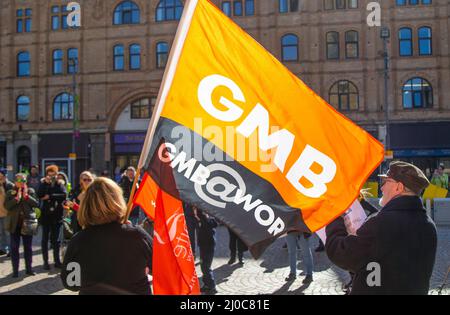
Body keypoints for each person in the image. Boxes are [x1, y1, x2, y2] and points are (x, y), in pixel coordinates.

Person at [326, 161, 437, 295]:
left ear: (399, 187)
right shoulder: (429, 225)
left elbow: (341, 253)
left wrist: (335, 217)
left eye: (386, 181)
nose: (382, 187)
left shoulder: (382, 223)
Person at [61, 177, 153, 295]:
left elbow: (71, 284)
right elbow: (161, 268)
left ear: (86, 205)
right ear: (118, 201)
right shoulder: (137, 236)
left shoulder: (78, 240)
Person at [4, 173, 39, 277]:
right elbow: (6, 206)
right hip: (14, 225)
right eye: (19, 181)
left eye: (23, 181)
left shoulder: (30, 191)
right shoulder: (10, 192)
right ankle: (15, 271)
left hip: (27, 224)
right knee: (14, 248)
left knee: (28, 248)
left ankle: (29, 269)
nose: (21, 183)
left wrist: (26, 197)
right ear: (15, 182)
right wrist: (16, 199)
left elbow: (36, 204)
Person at [38, 165, 67, 270]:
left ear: (56, 174)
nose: (52, 177)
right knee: (44, 239)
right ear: (47, 175)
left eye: (53, 174)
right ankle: (45, 262)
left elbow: (63, 195)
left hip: (56, 215)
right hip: (45, 215)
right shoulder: (43, 183)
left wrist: (50, 196)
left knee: (56, 240)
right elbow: (39, 194)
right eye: (49, 175)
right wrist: (45, 183)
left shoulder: (60, 184)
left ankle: (57, 261)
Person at [195, 207, 218, 295]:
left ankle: (212, 286)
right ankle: (206, 285)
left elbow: (213, 223)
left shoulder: (206, 218)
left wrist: (204, 216)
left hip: (208, 245)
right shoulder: (201, 218)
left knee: (205, 266)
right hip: (203, 245)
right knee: (203, 265)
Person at [0, 169, 14, 256]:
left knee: (8, 232)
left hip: (7, 212)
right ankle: (3, 249)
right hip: (0, 212)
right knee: (1, 232)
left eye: (1, 176)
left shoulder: (10, 185)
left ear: (5, 176)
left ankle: (11, 249)